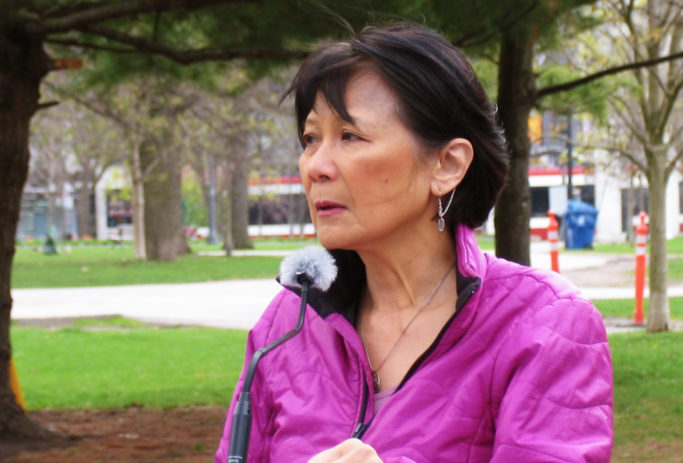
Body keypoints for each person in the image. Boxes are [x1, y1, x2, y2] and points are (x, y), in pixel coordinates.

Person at [214, 23, 612, 463]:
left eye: (350, 136)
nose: (315, 167)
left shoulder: (545, 325)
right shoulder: (288, 323)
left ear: (446, 164)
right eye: (310, 139)